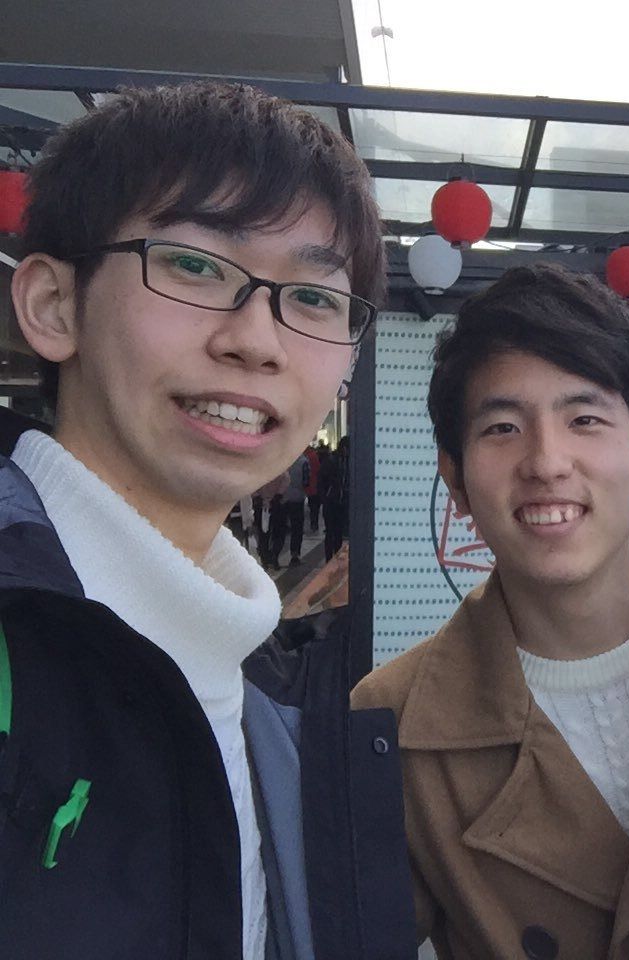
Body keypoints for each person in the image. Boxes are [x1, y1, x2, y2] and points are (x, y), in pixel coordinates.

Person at [0, 81, 413, 959]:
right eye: (194, 265)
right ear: (54, 306)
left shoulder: (278, 701)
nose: (256, 340)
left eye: (314, 299)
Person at [351, 262, 629, 959]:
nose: (546, 462)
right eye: (502, 427)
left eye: (584, 419)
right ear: (455, 479)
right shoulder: (390, 720)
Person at [321, 434, 350, 561]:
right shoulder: (332, 461)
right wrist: (325, 497)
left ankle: (335, 557)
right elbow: (322, 481)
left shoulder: (348, 461)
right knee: (331, 532)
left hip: (342, 502)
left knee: (338, 532)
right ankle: (329, 558)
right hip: (332, 501)